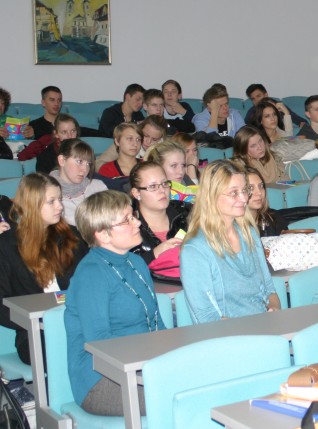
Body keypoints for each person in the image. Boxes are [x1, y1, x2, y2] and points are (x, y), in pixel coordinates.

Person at [66, 190, 164, 416]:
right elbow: (101, 343)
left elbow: (156, 323)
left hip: (144, 366)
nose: (137, 223)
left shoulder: (136, 262)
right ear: (103, 234)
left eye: (133, 216)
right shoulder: (91, 273)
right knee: (179, 395)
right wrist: (148, 368)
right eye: (127, 220)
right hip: (101, 379)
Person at [0, 173, 87, 364]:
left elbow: (89, 284)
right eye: (51, 201)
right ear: (31, 204)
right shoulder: (6, 246)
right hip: (34, 333)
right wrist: (33, 321)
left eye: (60, 200)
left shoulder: (72, 237)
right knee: (71, 351)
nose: (60, 206)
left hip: (77, 323)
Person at [180, 160, 280, 323]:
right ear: (211, 197)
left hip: (263, 326)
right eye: (234, 193)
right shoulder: (195, 249)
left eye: (244, 190)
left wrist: (274, 310)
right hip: (228, 335)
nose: (244, 198)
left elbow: (269, 289)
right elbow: (206, 318)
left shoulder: (249, 233)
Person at [128, 161, 190, 267]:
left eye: (165, 183)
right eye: (153, 186)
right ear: (136, 193)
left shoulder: (187, 212)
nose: (162, 190)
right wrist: (155, 253)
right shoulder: (127, 226)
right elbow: (123, 268)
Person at [52, 139, 107, 225]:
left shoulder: (98, 187)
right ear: (62, 160)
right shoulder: (48, 196)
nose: (85, 169)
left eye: (88, 164)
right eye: (79, 161)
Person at [245, 166, 287, 237]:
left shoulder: (275, 218)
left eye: (261, 186)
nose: (259, 192)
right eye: (250, 188)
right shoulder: (233, 227)